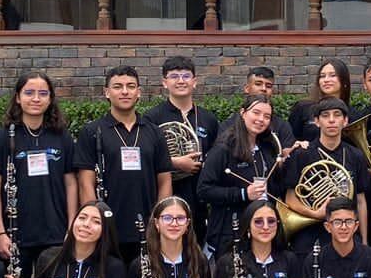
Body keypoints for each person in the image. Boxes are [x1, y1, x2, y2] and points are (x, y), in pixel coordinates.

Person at [0, 71, 77, 278]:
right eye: (29, 92)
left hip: (56, 232)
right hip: (16, 234)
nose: (36, 98)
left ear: (50, 99)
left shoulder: (62, 137)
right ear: (17, 97)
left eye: (43, 93)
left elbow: (71, 184)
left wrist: (72, 227)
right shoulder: (2, 138)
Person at [76, 65, 175, 265]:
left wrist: (159, 221)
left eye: (131, 86)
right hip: (108, 228)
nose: (124, 91)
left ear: (138, 92)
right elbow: (85, 183)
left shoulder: (154, 132)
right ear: (107, 92)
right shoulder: (92, 131)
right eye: (117, 86)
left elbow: (164, 181)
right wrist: (96, 222)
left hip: (147, 228)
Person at [197, 95, 284, 255]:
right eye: (256, 113)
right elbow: (204, 190)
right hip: (229, 231)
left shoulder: (268, 148)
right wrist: (243, 194)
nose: (261, 119)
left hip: (260, 230)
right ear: (243, 113)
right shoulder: (223, 149)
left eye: (267, 116)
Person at [283, 99, 371, 252]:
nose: (331, 120)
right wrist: (316, 213)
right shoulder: (302, 154)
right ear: (317, 122)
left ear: (345, 121)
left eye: (337, 115)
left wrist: (364, 240)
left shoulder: (355, 155)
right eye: (325, 116)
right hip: (311, 231)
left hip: (347, 232)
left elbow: (360, 201)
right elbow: (290, 198)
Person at [147, 56, 218, 239]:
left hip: (199, 197)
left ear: (194, 81)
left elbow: (216, 155)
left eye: (186, 76)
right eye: (174, 76)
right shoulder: (152, 117)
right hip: (166, 193)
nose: (180, 81)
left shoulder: (208, 118)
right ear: (164, 82)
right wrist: (176, 163)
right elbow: (146, 158)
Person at [288, 58, 352, 145]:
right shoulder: (303, 108)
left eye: (332, 75)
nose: (326, 80)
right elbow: (290, 140)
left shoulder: (352, 113)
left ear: (344, 81)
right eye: (322, 76)